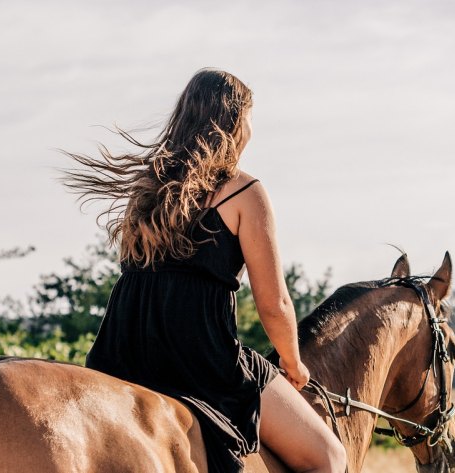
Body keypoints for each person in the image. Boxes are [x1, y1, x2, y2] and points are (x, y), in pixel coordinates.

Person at [58, 68, 346, 473]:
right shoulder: (244, 191)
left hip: (123, 351)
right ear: (234, 121)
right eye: (248, 117)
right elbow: (275, 303)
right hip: (199, 357)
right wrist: (294, 362)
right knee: (328, 458)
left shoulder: (146, 187)